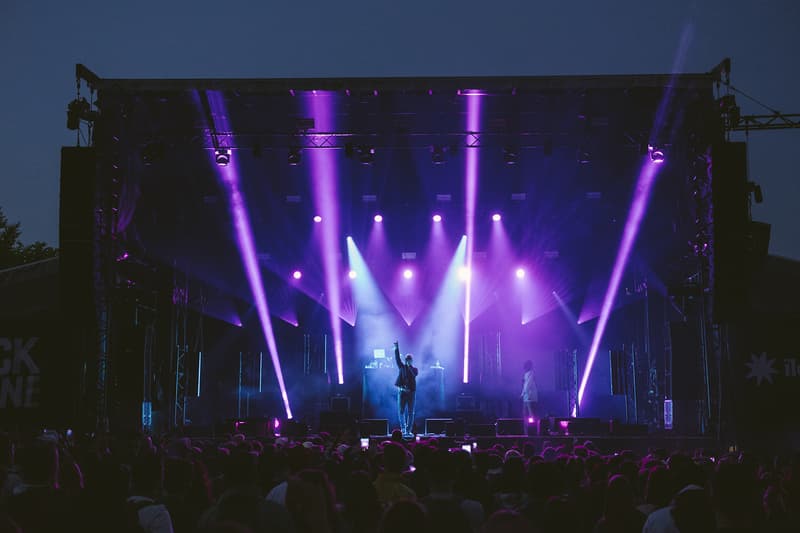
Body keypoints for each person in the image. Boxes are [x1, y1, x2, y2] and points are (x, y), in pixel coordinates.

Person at [393, 341, 418, 437]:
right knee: (401, 411)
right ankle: (403, 429)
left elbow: (414, 375)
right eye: (407, 359)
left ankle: (409, 430)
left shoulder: (415, 369)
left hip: (411, 392)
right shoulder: (401, 367)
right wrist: (396, 348)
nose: (408, 361)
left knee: (411, 412)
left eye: (410, 359)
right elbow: (397, 359)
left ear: (412, 361)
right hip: (402, 392)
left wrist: (409, 367)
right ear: (405, 360)